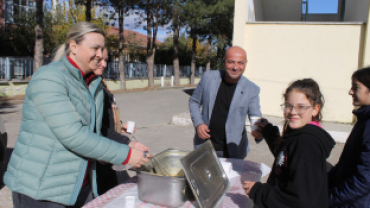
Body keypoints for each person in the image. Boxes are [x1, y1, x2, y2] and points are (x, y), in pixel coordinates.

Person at [4, 22, 149, 208]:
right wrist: (127, 155)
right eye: (94, 48)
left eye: (102, 48)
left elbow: (95, 129)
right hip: (42, 190)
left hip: (78, 185)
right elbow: (73, 135)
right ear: (73, 47)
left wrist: (128, 143)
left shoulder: (90, 83)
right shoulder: (50, 78)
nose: (100, 55)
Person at [243, 78, 335, 208]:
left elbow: (299, 200)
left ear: (315, 109)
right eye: (288, 105)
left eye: (301, 107)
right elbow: (286, 158)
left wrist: (258, 191)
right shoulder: (298, 135)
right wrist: (267, 131)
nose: (292, 112)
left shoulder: (307, 144)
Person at [189, 46, 262, 159]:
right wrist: (199, 123)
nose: (235, 67)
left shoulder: (251, 89)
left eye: (240, 63)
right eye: (231, 62)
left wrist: (259, 131)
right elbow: (194, 101)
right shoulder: (208, 77)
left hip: (234, 151)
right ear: (223, 62)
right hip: (205, 146)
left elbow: (255, 116)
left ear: (245, 64)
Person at [93, 49, 150, 195]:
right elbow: (97, 128)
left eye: (106, 60)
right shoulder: (90, 87)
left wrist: (119, 125)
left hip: (112, 143)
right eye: (99, 60)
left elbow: (106, 117)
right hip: (103, 153)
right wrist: (127, 146)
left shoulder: (99, 83)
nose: (104, 64)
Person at [328, 67, 370, 207]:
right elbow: (346, 164)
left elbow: (364, 180)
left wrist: (328, 199)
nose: (350, 91)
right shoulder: (364, 120)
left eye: (356, 87)